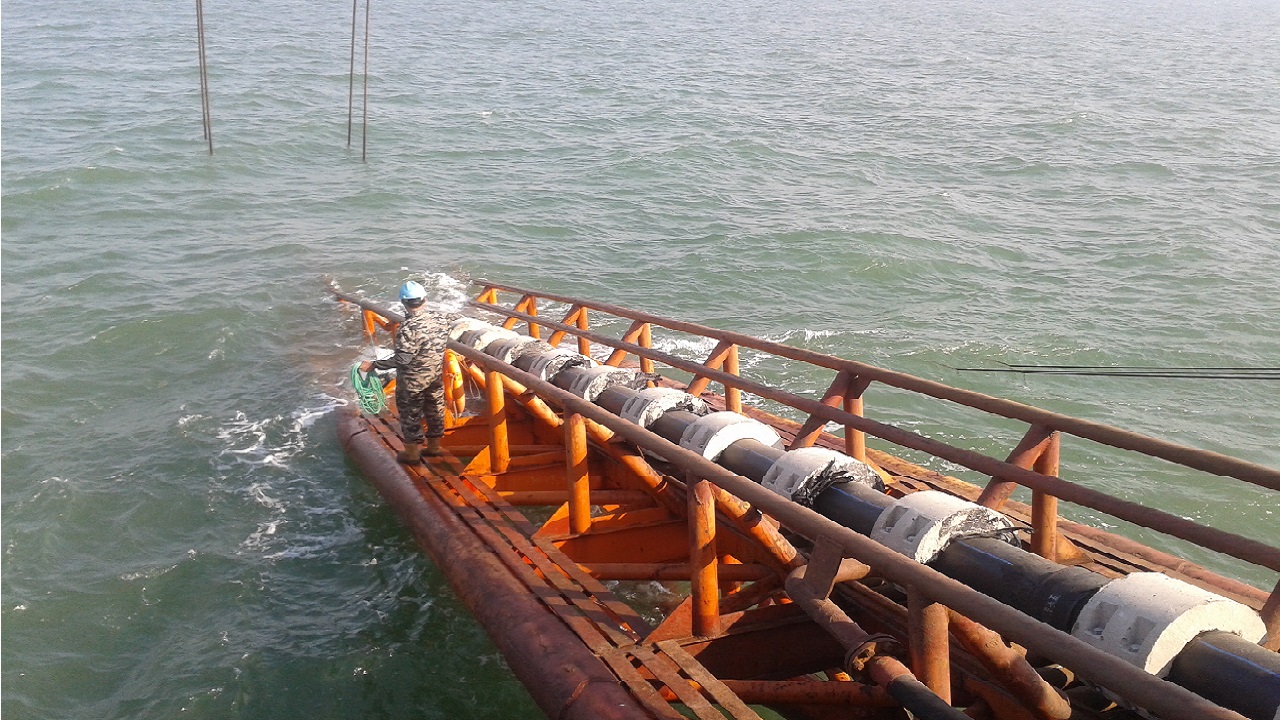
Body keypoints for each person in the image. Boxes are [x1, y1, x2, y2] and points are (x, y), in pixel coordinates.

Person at [360, 281, 457, 463]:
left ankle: (412, 454)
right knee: (434, 410)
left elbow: (402, 359)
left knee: (410, 414)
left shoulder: (408, 328)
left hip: (412, 381)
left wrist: (374, 365)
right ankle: (434, 447)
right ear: (424, 299)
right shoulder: (440, 319)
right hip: (434, 376)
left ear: (403, 302)